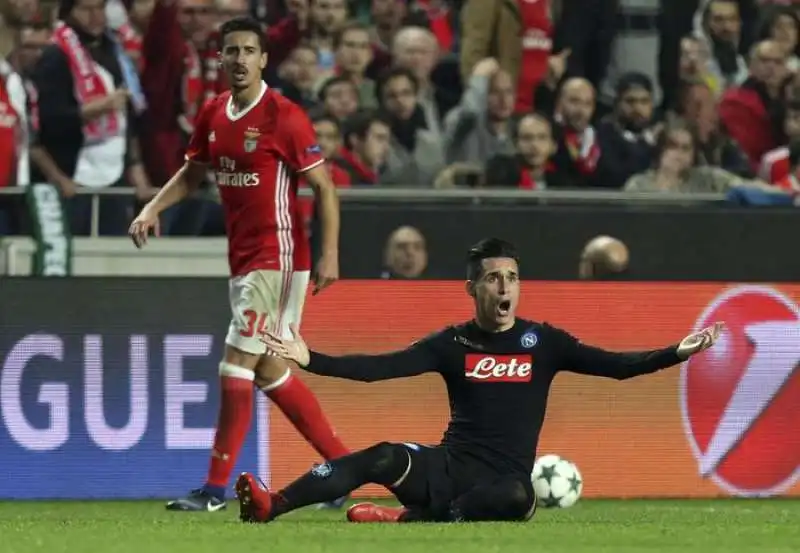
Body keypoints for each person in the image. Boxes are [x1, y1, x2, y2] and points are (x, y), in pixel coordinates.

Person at [236, 238, 723, 524]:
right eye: (493, 279)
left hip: (500, 482)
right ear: (473, 288)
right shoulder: (453, 344)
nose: (504, 287)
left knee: (520, 496)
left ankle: (410, 521)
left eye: (511, 277)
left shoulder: (544, 342)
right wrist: (311, 358)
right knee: (382, 454)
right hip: (449, 467)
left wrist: (676, 353)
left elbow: (616, 365)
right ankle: (271, 505)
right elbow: (380, 368)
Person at [128, 16, 349, 512]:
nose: (240, 59)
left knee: (234, 361)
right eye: (232, 51)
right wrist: (151, 208)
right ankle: (345, 468)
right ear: (220, 58)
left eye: (250, 50)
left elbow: (325, 188)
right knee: (269, 368)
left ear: (264, 59)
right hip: (243, 260)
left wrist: (330, 253)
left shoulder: (284, 116)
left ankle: (213, 490)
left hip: (279, 256)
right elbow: (192, 175)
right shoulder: (212, 113)